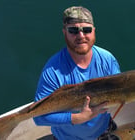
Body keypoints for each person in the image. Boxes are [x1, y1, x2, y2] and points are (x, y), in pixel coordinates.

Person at [33, 6, 120, 140]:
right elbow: (38, 117)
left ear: (94, 31)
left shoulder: (108, 60)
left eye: (86, 30)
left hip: (102, 132)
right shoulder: (52, 71)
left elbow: (120, 91)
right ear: (64, 32)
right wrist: (77, 118)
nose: (81, 36)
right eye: (73, 30)